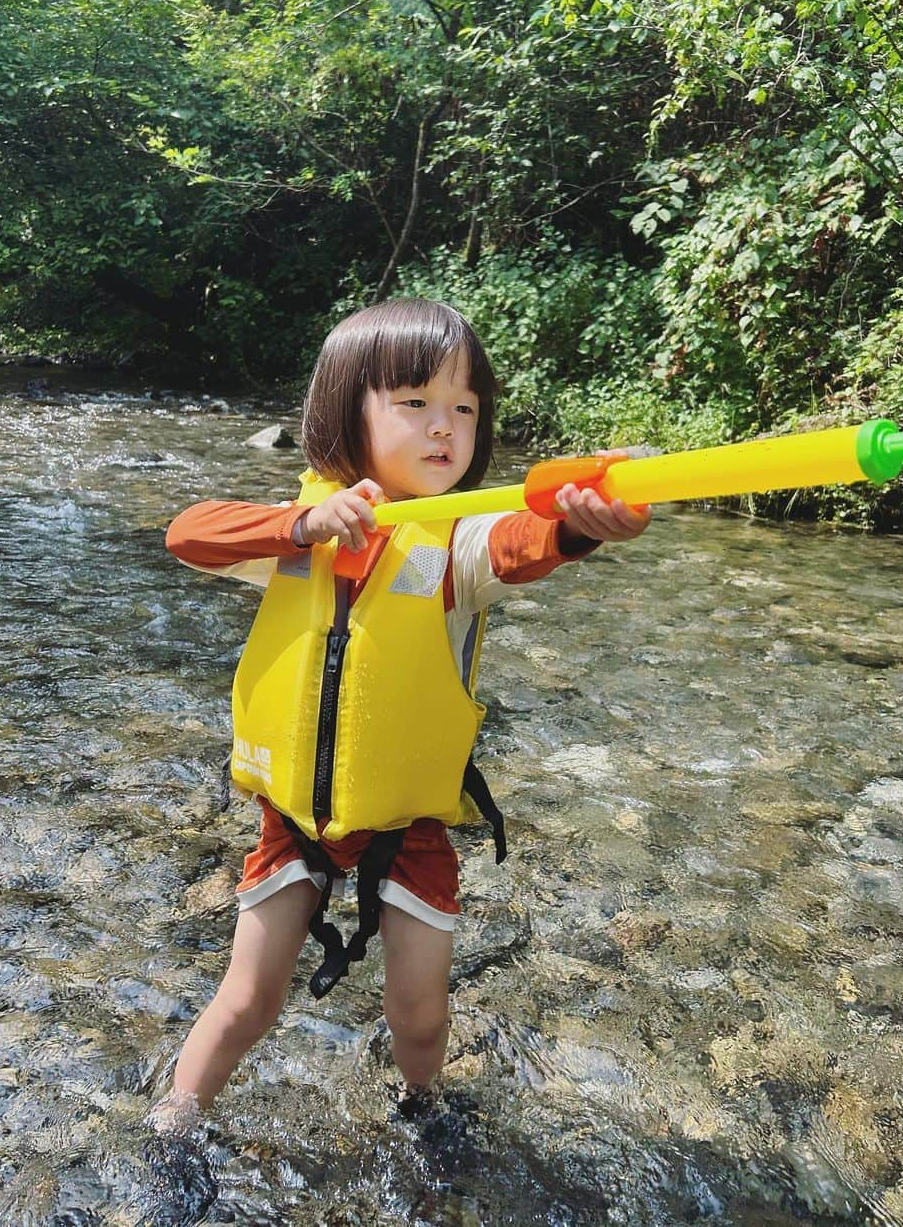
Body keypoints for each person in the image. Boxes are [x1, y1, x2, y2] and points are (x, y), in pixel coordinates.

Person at [148, 297, 650, 1133]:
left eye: (464, 408)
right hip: (295, 821)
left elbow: (525, 544)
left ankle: (423, 1102)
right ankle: (176, 1116)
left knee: (419, 1014)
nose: (443, 427)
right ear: (348, 411)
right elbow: (187, 534)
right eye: (415, 404)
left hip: (408, 827)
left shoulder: (457, 542)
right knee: (247, 1002)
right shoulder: (299, 534)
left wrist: (581, 526)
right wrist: (301, 524)